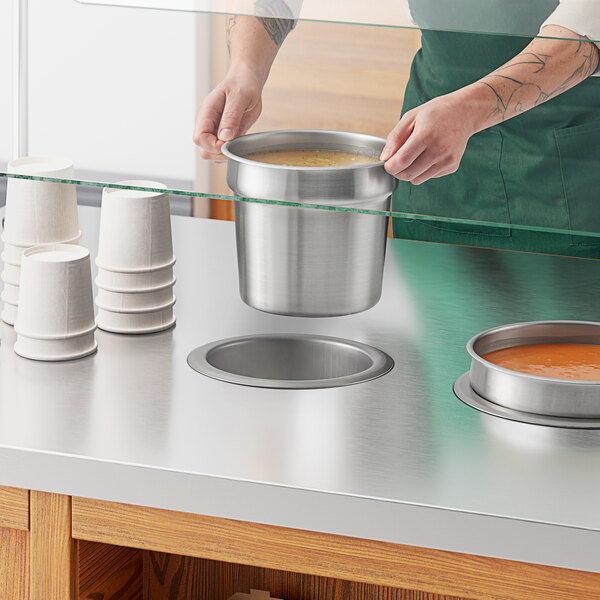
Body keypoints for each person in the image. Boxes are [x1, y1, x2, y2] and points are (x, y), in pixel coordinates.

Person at [193, 1, 600, 257]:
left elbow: (587, 25)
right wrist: (244, 70)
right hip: (431, 145)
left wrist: (471, 109)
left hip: (569, 154)